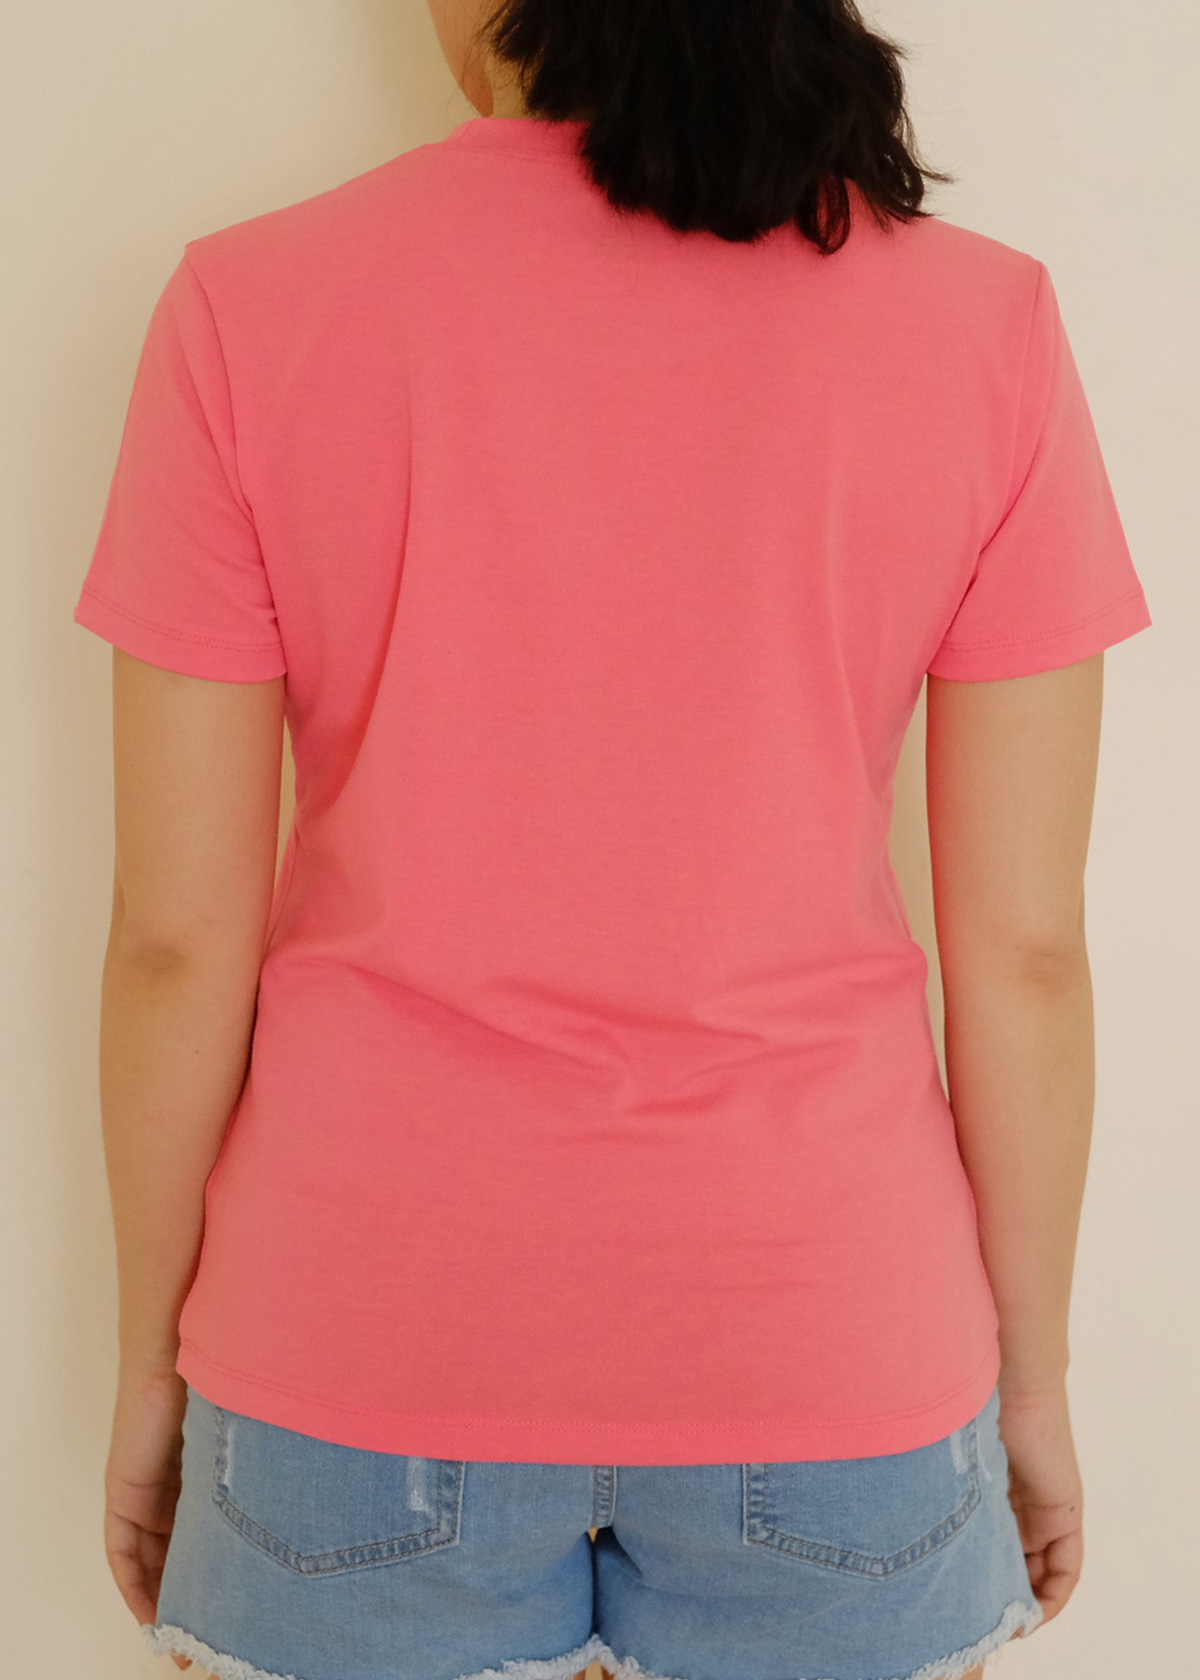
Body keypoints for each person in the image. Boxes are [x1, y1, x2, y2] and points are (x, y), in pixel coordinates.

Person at [76, 2, 1152, 1679]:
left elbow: (174, 943)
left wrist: (156, 1363)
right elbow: (1023, 957)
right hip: (831, 1338)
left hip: (352, 1336)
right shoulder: (980, 322)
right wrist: (1032, 1379)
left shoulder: (250, 305)